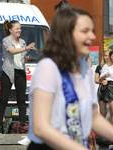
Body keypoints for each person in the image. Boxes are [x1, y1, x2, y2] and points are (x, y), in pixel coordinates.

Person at [28, 8, 113, 150]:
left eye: (92, 31)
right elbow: (40, 128)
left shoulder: (85, 69)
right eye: (85, 31)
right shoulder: (48, 67)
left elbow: (93, 117)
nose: (92, 36)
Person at [0, 20, 36, 134]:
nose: (19, 30)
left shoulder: (22, 42)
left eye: (20, 28)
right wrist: (26, 48)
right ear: (10, 30)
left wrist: (26, 58)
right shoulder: (6, 40)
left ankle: (22, 125)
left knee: (21, 99)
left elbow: (21, 56)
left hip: (20, 71)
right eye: (17, 28)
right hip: (8, 72)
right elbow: (12, 51)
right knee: (4, 99)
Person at [95, 50, 110, 118]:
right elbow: (96, 80)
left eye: (108, 55)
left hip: (111, 90)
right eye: (105, 55)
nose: (106, 57)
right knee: (102, 114)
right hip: (102, 91)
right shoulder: (99, 67)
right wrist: (101, 81)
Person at [99, 50, 113, 124]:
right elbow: (99, 79)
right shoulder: (106, 66)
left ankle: (109, 131)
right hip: (110, 88)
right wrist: (105, 76)